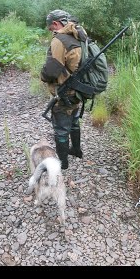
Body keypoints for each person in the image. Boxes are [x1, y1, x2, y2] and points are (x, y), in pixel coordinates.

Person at [40, 9, 89, 170]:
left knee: (61, 129)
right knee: (74, 120)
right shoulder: (80, 34)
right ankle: (76, 150)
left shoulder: (59, 40)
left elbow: (52, 71)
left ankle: (63, 164)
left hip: (65, 92)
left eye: (50, 28)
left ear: (55, 23)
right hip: (79, 90)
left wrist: (42, 75)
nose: (50, 31)